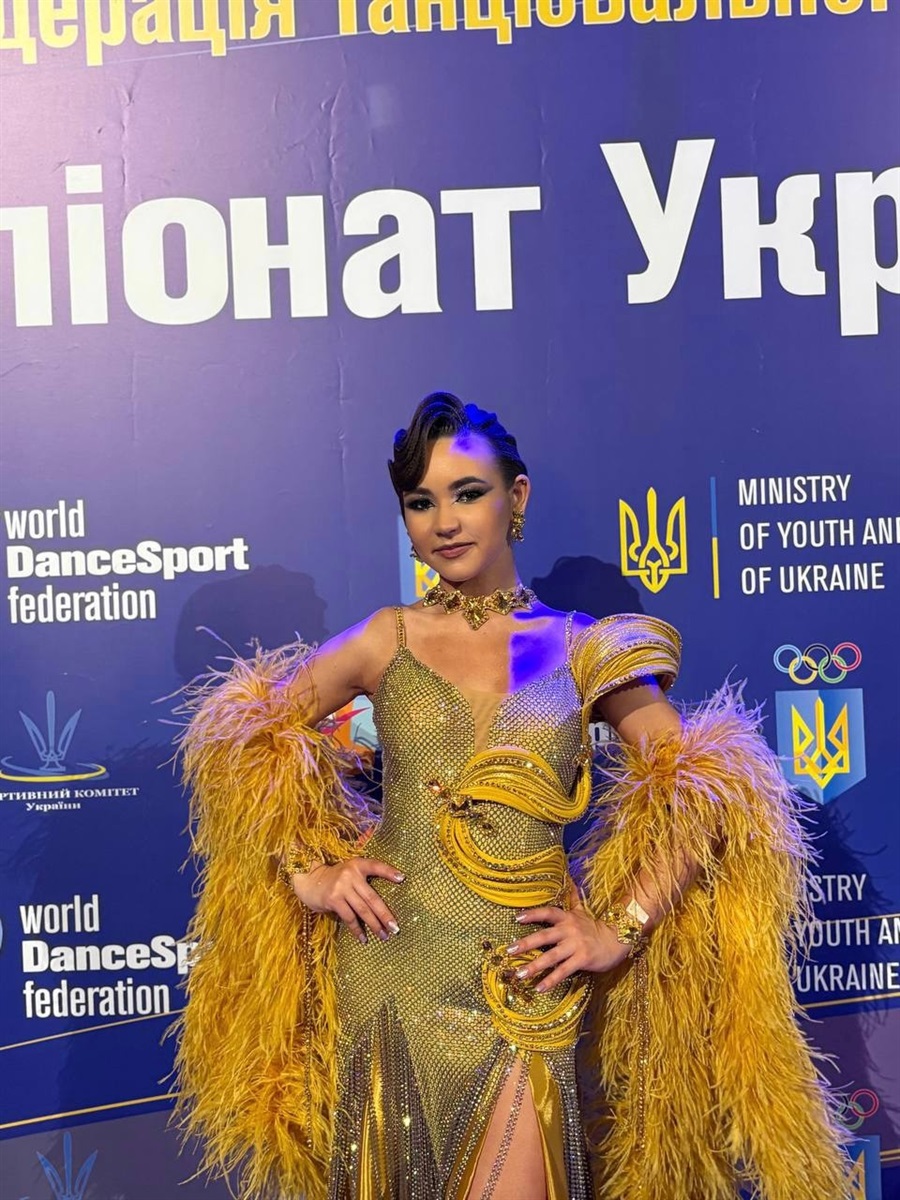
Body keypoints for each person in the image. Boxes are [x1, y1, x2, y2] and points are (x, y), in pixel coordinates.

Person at [173, 393, 848, 1200]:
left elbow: (714, 793)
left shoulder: (582, 647)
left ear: (515, 497)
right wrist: (306, 872)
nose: (445, 522)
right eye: (421, 502)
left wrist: (621, 928)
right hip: (390, 967)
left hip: (524, 979)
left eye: (468, 493)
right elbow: (245, 741)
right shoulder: (385, 638)